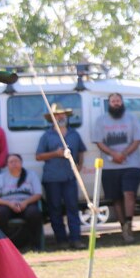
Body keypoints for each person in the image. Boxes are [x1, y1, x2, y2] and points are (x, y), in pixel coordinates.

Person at [92, 92, 140, 244]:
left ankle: (128, 223)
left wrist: (123, 154)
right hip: (109, 165)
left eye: (118, 101)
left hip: (131, 163)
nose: (116, 103)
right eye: (113, 101)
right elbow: (99, 142)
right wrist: (114, 154)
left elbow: (138, 139)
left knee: (129, 193)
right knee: (116, 198)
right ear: (109, 103)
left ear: (122, 102)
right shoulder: (101, 120)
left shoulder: (132, 118)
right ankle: (123, 228)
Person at [35, 103, 87, 249]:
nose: (60, 117)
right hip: (52, 179)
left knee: (73, 208)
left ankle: (76, 239)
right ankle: (61, 241)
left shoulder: (74, 134)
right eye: (57, 115)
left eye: (62, 114)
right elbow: (38, 156)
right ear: (52, 118)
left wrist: (80, 164)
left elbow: (82, 150)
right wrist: (55, 154)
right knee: (55, 209)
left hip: (70, 178)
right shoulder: (47, 136)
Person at [0, 154, 42, 251]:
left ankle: (36, 246)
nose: (14, 164)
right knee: (0, 214)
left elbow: (38, 194)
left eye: (16, 161)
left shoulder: (31, 175)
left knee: (34, 213)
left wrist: (25, 203)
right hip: (8, 205)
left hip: (27, 204)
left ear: (21, 163)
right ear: (7, 165)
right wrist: (9, 204)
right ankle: (4, 247)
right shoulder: (1, 178)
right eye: (11, 162)